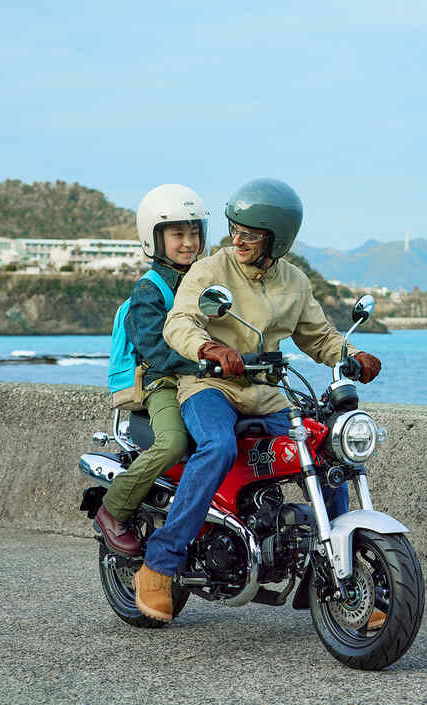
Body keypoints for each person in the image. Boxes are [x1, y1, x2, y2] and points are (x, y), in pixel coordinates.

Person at [133, 178, 382, 621]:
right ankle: (160, 563)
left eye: (251, 233)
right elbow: (179, 322)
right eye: (234, 229)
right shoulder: (209, 271)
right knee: (218, 446)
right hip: (210, 387)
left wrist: (351, 354)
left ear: (277, 238)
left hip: (267, 396)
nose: (238, 240)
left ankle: (331, 574)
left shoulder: (295, 282)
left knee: (326, 450)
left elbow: (317, 337)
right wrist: (209, 349)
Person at [94, 184, 207, 557]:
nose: (188, 242)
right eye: (177, 234)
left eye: (194, 232)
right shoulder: (150, 290)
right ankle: (113, 510)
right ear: (154, 239)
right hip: (162, 382)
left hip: (204, 379)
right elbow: (155, 350)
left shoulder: (204, 282)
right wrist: (204, 363)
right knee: (174, 442)